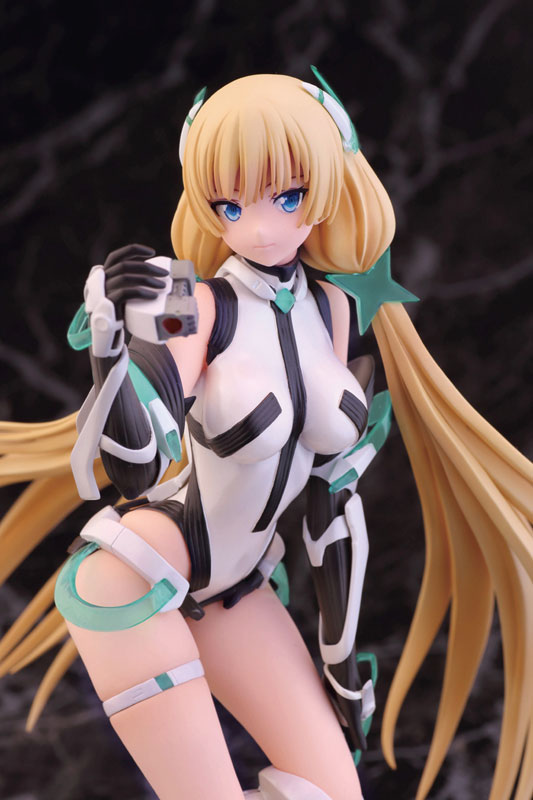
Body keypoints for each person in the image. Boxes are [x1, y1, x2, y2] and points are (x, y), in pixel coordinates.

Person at [1, 72, 532, 800]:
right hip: (136, 578)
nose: (259, 227)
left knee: (334, 792)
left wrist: (341, 667)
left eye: (287, 197)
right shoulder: (195, 303)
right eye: (229, 204)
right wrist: (110, 346)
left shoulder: (335, 309)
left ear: (327, 188)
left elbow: (331, 503)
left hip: (237, 589)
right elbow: (139, 465)